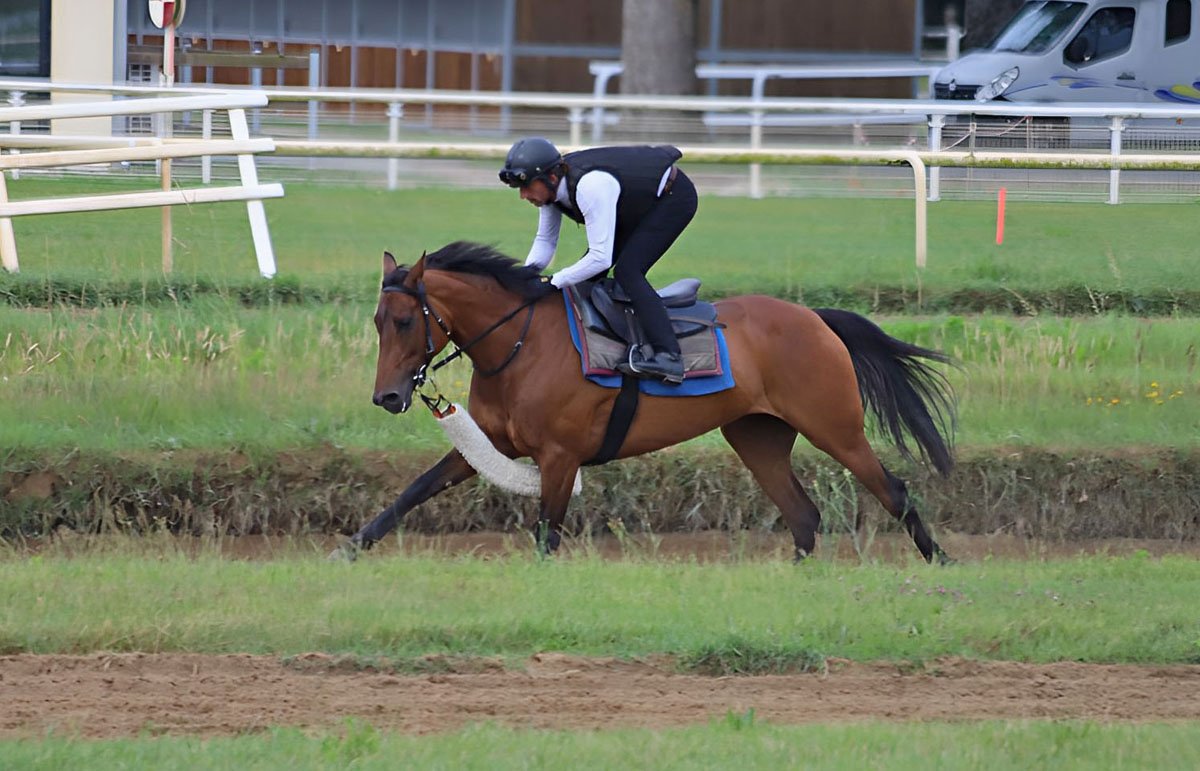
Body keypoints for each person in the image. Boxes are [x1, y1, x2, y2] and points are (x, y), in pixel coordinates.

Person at [499, 137, 698, 384]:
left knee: (628, 271)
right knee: (586, 278)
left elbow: (601, 258)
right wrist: (526, 277)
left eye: (527, 186)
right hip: (633, 204)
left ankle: (669, 356)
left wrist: (553, 282)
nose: (523, 195)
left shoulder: (590, 186)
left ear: (551, 177)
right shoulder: (550, 189)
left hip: (671, 198)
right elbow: (545, 240)